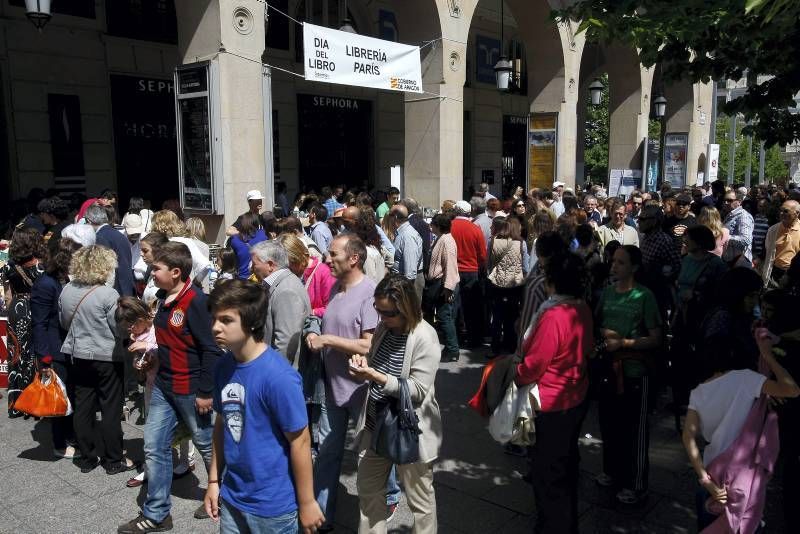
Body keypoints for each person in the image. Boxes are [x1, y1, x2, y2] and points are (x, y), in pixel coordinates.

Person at [203, 279, 325, 533]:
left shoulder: (278, 377)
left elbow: (300, 440)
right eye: (214, 319)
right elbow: (221, 423)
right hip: (233, 497)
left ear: (252, 322)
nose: (215, 327)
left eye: (226, 320)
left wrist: (307, 502)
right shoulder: (224, 366)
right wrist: (214, 479)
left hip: (273, 508)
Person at [118, 242, 222, 533]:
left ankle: (224, 494)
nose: (150, 272)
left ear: (176, 272)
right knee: (154, 445)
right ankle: (157, 513)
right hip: (164, 385)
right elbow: (168, 341)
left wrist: (205, 392)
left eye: (156, 268)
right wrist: (151, 356)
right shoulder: (161, 298)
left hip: (191, 389)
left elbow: (211, 349)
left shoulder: (197, 302)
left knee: (206, 444)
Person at [303, 234, 389, 532]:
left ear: (354, 258)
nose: (327, 259)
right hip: (332, 388)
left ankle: (388, 496)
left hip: (362, 391)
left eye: (332, 254)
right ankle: (321, 518)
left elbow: (368, 345)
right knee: (327, 453)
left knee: (372, 452)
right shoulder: (337, 287)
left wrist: (326, 339)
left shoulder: (370, 293)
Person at [349, 275, 442, 534]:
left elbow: (418, 390)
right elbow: (375, 362)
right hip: (374, 424)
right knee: (368, 493)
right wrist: (362, 365)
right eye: (378, 311)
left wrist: (375, 376)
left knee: (420, 502)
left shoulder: (424, 335)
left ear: (406, 308)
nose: (381, 318)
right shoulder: (384, 328)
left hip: (408, 431)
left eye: (388, 313)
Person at [683, 327, 799, 531]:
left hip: (712, 473)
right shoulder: (747, 379)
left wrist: (704, 479)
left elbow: (688, 437)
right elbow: (792, 389)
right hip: (742, 478)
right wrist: (768, 356)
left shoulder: (698, 392)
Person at [516, 253, 593, 534]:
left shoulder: (553, 314)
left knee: (548, 475)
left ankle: (554, 526)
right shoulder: (581, 306)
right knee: (565, 465)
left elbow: (535, 364)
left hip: (551, 403)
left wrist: (516, 374)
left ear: (552, 282)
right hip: (575, 396)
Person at [59, 245, 135, 474]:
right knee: (110, 407)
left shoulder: (67, 290)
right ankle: (113, 460)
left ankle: (87, 456)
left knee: (83, 405)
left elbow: (63, 322)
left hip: (77, 354)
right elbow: (118, 329)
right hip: (106, 356)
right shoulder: (108, 294)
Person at [595, 246, 662, 505]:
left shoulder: (645, 296)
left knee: (635, 430)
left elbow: (655, 338)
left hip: (636, 373)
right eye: (613, 262)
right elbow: (598, 322)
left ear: (634, 267)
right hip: (608, 372)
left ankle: (636, 484)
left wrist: (624, 342)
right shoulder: (609, 292)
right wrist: (604, 334)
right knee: (609, 424)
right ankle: (611, 470)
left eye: (621, 263)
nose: (614, 266)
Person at [116, 296, 196, 488]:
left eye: (131, 325)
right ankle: (152, 467)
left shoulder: (158, 328)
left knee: (184, 425)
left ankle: (188, 461)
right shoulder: (137, 336)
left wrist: (148, 347)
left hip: (172, 383)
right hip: (152, 384)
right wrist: (139, 363)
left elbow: (172, 349)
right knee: (153, 427)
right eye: (126, 326)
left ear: (142, 318)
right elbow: (142, 359)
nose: (129, 330)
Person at [31, 236, 80, 457]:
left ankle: (70, 435)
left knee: (69, 393)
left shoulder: (63, 280)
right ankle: (59, 443)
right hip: (54, 348)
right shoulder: (45, 284)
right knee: (59, 396)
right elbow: (39, 323)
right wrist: (44, 357)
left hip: (66, 346)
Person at [4, 226, 46, 416]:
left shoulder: (9, 265)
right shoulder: (41, 265)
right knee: (37, 354)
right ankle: (36, 403)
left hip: (16, 309)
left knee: (16, 353)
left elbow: (7, 297)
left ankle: (16, 403)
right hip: (36, 308)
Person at [250, 240, 311, 367]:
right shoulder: (279, 284)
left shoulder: (286, 290)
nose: (251, 269)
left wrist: (275, 373)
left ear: (270, 265)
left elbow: (286, 341)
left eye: (255, 264)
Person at [450, 200, 488, 348]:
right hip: (472, 271)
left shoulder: (450, 227)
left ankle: (456, 338)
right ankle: (473, 338)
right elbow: (482, 255)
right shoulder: (475, 228)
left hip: (454, 270)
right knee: (472, 307)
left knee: (455, 306)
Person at [487, 217, 526, 353]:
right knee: (512, 315)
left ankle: (495, 347)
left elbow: (489, 264)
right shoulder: (521, 243)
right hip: (515, 284)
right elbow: (525, 266)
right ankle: (511, 345)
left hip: (497, 283)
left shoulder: (493, 241)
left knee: (497, 316)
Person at [425, 213, 460, 362]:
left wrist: (448, 288)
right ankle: (449, 347)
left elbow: (450, 265)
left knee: (444, 316)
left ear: (438, 226)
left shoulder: (446, 241)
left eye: (433, 224)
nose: (430, 226)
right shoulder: (443, 239)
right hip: (439, 283)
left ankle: (453, 350)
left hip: (443, 284)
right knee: (443, 316)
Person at [638, 204, 681, 319]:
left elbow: (677, 266)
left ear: (654, 221)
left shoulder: (664, 241)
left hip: (657, 295)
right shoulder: (645, 238)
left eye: (642, 219)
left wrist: (660, 274)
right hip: (644, 291)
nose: (639, 222)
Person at [84, 203, 136, 297]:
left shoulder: (100, 237)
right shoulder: (119, 234)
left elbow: (105, 270)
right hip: (126, 287)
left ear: (89, 220)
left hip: (116, 291)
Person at [761, 200, 800, 288]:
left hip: (794, 275)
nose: (781, 213)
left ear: (797, 213)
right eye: (780, 210)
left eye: (785, 211)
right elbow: (768, 251)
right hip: (774, 274)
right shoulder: (773, 230)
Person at [389, 205, 424, 301]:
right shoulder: (402, 233)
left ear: (395, 217)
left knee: (409, 314)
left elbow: (410, 272)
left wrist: (405, 292)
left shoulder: (407, 236)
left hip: (408, 284)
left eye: (389, 216)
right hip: (403, 282)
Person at [230, 212, 268, 280]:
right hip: (260, 277)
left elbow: (234, 261)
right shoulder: (264, 234)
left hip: (242, 278)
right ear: (256, 222)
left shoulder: (235, 239)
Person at [722, 189, 754, 265]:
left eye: (729, 200)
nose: (726, 203)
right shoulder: (730, 215)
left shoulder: (743, 216)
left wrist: (726, 237)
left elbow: (745, 239)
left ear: (739, 202)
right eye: (724, 200)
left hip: (740, 262)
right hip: (731, 261)